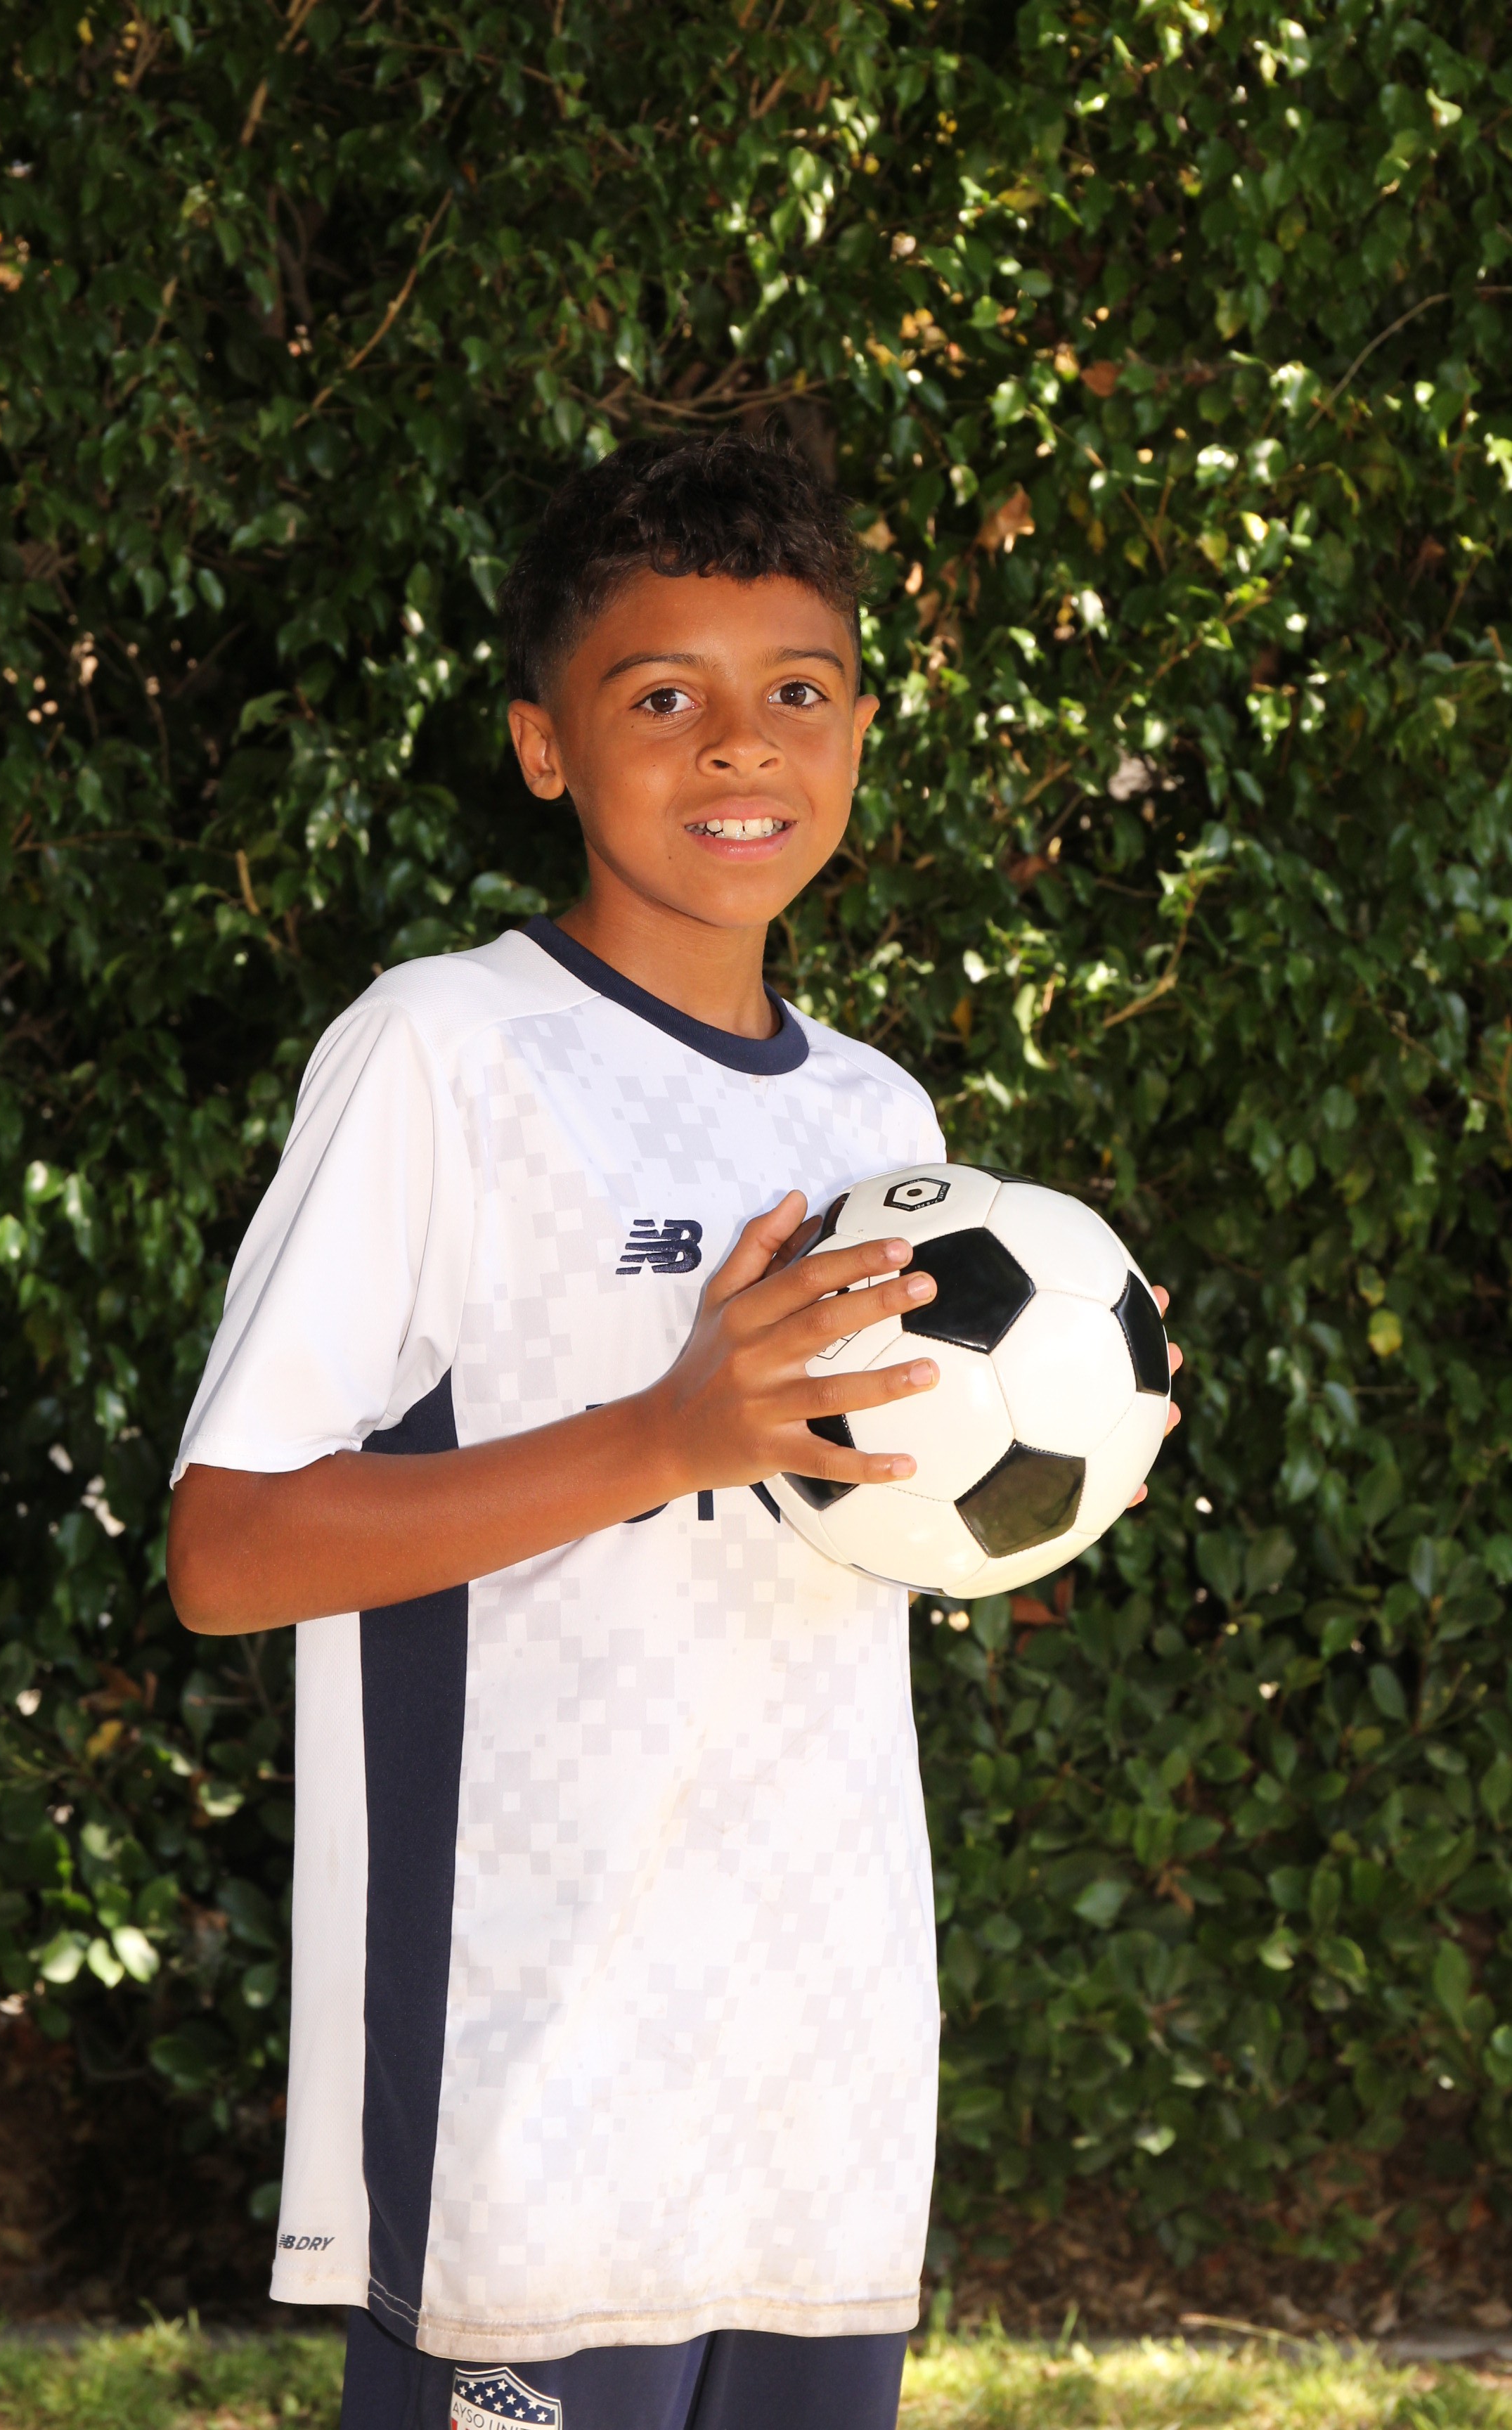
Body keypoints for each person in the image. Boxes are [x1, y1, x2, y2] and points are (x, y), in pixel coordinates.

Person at [167, 432, 1179, 2430]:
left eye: (798, 689)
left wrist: (1046, 1453)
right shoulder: (444, 1051)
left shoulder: (881, 1124)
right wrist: (665, 1434)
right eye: (661, 698)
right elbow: (228, 1549)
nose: (740, 746)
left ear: (861, 733)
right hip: (527, 2090)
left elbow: (848, 1522)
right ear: (543, 745)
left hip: (821, 2073)